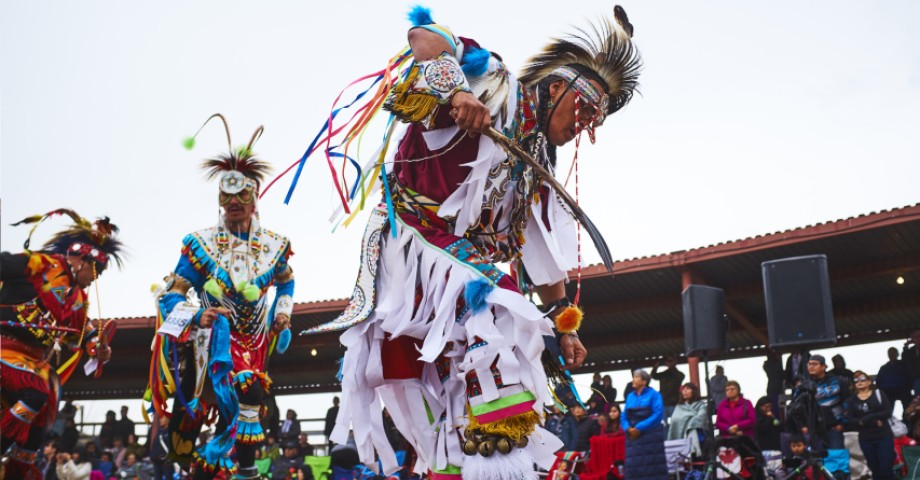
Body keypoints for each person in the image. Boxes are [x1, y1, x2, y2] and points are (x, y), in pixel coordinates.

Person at [304, 5, 642, 479]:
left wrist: (565, 326)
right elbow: (424, 34)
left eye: (595, 123)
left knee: (463, 382)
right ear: (559, 87)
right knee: (499, 311)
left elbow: (541, 252)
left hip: (460, 271)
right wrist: (460, 91)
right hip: (414, 242)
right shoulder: (498, 87)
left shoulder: (537, 161)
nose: (583, 127)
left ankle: (457, 465)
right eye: (585, 110)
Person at [147, 115, 296, 480]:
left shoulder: (275, 246)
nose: (234, 203)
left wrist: (283, 312)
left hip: (255, 337)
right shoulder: (200, 244)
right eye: (226, 196)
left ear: (254, 198)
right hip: (212, 338)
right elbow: (172, 293)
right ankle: (185, 458)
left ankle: (243, 470)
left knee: (250, 397)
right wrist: (197, 316)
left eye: (241, 195)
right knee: (191, 422)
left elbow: (287, 282)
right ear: (219, 199)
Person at [0, 210, 122, 479]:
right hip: (4, 347)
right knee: (35, 392)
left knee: (50, 395)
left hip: (33, 359)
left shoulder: (77, 298)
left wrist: (100, 349)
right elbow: (3, 264)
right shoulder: (42, 264)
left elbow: (82, 333)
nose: (95, 279)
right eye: (96, 271)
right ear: (82, 260)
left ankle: (20, 466)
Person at [847, 370, 895, 480]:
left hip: (883, 436)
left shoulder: (879, 394)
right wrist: (870, 421)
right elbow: (851, 420)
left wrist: (868, 418)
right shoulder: (852, 400)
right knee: (875, 470)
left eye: (863, 379)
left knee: (886, 468)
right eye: (856, 380)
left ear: (869, 381)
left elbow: (888, 412)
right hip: (866, 438)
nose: (859, 382)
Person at [622, 369, 667, 480]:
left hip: (650, 435)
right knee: (633, 467)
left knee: (653, 467)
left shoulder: (654, 395)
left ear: (644, 381)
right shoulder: (630, 396)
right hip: (632, 436)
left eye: (636, 377)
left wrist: (639, 427)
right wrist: (627, 428)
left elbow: (657, 414)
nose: (633, 379)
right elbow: (624, 416)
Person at [808, 354, 845, 449]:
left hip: (835, 428)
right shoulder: (805, 385)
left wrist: (843, 423)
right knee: (817, 461)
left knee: (836, 458)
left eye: (815, 364)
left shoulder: (837, 381)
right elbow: (799, 406)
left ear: (824, 366)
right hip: (815, 430)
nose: (811, 366)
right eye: (809, 364)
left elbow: (847, 401)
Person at [667, 383, 708, 456]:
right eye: (683, 389)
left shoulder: (701, 405)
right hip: (680, 436)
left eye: (688, 389)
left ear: (694, 391)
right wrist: (689, 417)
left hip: (698, 435)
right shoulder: (679, 406)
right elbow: (675, 420)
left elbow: (701, 417)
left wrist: (689, 424)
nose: (685, 391)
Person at [877, 346, 913, 414]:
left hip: (902, 388)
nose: (891, 355)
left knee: (907, 404)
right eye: (890, 353)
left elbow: (909, 376)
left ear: (897, 354)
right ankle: (889, 421)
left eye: (893, 353)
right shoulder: (884, 367)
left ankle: (907, 420)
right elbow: (879, 380)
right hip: (888, 390)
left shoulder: (903, 364)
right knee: (887, 407)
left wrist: (908, 387)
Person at [651, 356, 685, 426]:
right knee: (664, 425)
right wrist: (655, 367)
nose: (670, 363)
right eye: (668, 361)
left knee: (676, 423)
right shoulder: (664, 374)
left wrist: (672, 368)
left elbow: (680, 377)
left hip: (674, 403)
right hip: (663, 402)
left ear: (675, 362)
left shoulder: (679, 374)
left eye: (671, 361)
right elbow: (653, 376)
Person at [150, 415, 174, 480]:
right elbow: (155, 446)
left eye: (162, 419)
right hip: (156, 461)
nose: (160, 420)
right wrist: (153, 456)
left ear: (167, 420)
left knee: (168, 477)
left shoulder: (171, 432)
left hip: (166, 462)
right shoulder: (159, 433)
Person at [903, 330, 920, 397]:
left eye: (917, 337)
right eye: (914, 338)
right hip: (916, 378)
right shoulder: (911, 350)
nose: (916, 339)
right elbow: (904, 359)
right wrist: (906, 346)